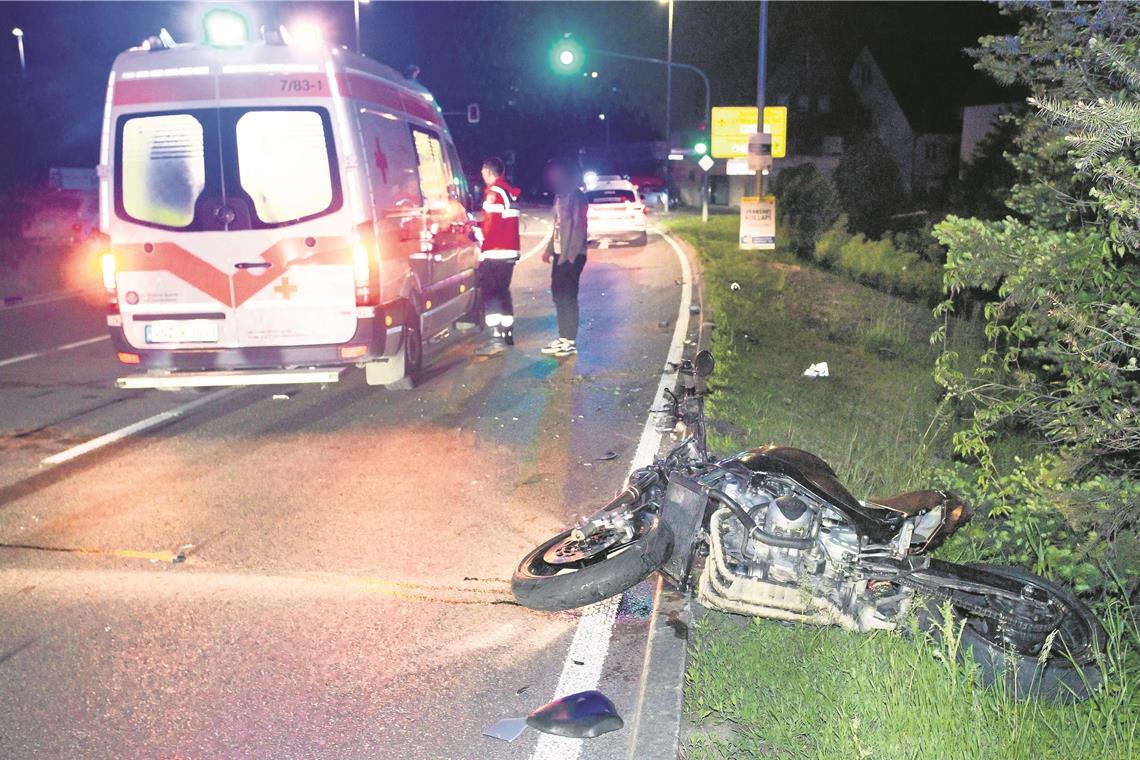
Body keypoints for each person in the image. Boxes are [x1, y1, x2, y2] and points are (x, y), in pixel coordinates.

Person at [540, 158, 588, 358]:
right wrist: (550, 249)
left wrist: (568, 257)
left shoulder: (577, 197)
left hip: (572, 255)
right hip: (561, 254)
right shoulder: (560, 197)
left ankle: (568, 340)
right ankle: (563, 338)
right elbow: (557, 227)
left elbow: (578, 228)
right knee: (559, 295)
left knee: (567, 297)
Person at [474, 157, 521, 357]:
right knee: (503, 292)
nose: (482, 176)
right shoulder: (509, 192)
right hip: (510, 251)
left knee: (490, 294)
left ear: (488, 172)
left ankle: (495, 338)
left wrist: (474, 232)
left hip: (495, 251)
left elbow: (490, 226)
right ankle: (507, 333)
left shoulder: (493, 193)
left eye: (483, 172)